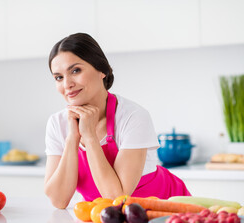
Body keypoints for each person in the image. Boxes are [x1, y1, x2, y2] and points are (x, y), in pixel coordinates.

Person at [44, 33, 190, 209]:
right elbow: (58, 200)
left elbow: (117, 198)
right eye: (59, 77)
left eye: (76, 71)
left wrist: (89, 137)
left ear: (101, 70)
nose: (67, 84)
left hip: (165, 211)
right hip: (109, 219)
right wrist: (72, 138)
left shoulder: (133, 116)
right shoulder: (57, 123)